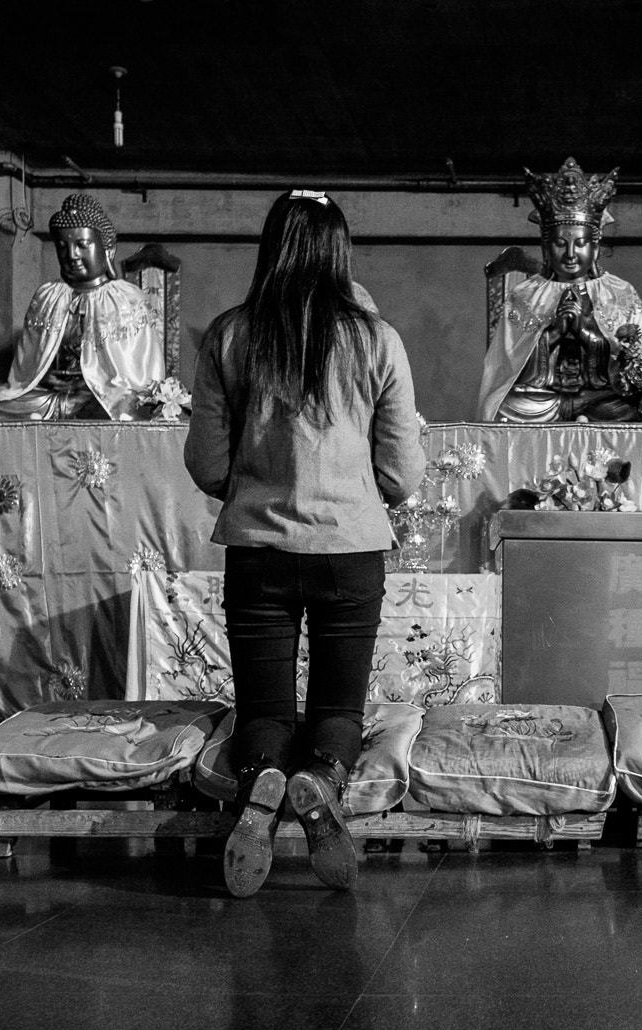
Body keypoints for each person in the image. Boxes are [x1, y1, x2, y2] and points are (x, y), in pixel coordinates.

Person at [184, 190, 424, 894]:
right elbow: (403, 473)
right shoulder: (376, 339)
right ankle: (319, 779)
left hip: (257, 552)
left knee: (264, 711)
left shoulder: (230, 335)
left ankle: (262, 780)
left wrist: (255, 483)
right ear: (339, 252)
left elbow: (204, 463)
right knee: (339, 710)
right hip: (350, 553)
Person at [476, 158, 642, 422]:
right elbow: (508, 369)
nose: (570, 253)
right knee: (505, 407)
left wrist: (586, 334)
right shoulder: (525, 294)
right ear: (546, 247)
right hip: (542, 400)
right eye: (560, 243)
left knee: (628, 408)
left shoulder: (620, 292)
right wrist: (554, 333)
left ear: (595, 246)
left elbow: (637, 368)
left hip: (598, 398)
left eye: (580, 243)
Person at [0, 192, 164, 420]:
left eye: (82, 245)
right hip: (50, 397)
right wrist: (50, 384)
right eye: (63, 246)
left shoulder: (126, 298)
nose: (72, 255)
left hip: (102, 397)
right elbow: (26, 371)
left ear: (107, 249)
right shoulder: (47, 296)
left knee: (124, 408)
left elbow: (142, 376)